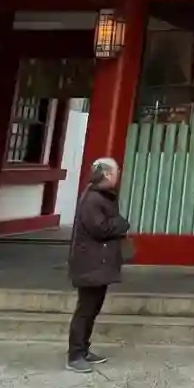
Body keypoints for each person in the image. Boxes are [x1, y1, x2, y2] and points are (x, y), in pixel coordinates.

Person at [66, 157, 132, 373]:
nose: (118, 175)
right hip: (90, 263)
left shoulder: (101, 196)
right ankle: (75, 354)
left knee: (92, 308)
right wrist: (121, 223)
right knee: (85, 309)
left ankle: (83, 349)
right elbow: (100, 229)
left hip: (97, 262)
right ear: (106, 174)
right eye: (115, 171)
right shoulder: (93, 198)